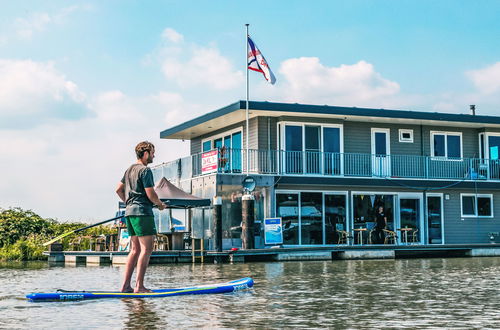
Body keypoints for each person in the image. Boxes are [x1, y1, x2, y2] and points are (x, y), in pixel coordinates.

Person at [116, 141, 166, 293]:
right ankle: (140, 286)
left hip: (130, 213)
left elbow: (118, 189)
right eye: (152, 152)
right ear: (145, 154)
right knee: (147, 249)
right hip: (142, 213)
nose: (154, 155)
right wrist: (159, 204)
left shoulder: (129, 169)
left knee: (134, 250)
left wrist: (129, 204)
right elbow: (150, 193)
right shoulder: (145, 170)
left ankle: (125, 286)